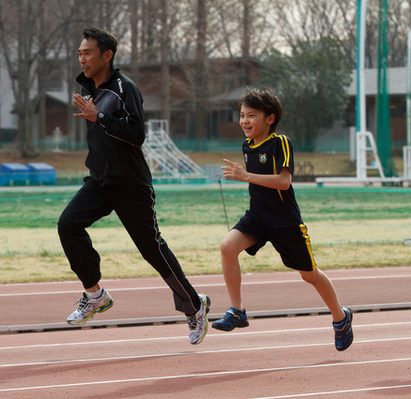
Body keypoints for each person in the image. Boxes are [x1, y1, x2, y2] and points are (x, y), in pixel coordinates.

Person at [57, 27, 210, 345]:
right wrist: (95, 116)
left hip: (131, 183)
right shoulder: (88, 90)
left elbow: (137, 134)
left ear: (107, 56)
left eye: (88, 53)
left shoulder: (125, 89)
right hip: (99, 181)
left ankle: (194, 306)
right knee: (68, 224)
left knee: (152, 250)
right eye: (80, 53)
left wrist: (99, 117)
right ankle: (95, 294)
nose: (82, 59)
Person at [212, 87, 354, 351]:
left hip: (285, 222)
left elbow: (284, 182)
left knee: (309, 275)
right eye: (242, 115)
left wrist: (245, 176)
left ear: (270, 118)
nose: (244, 121)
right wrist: (246, 176)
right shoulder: (247, 145)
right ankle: (237, 311)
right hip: (257, 217)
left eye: (251, 115)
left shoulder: (281, 143)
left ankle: (341, 317)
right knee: (227, 247)